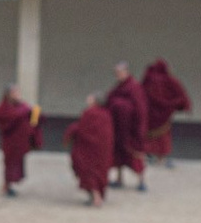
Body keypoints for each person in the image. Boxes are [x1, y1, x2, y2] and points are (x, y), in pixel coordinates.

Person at [104, 63, 149, 191]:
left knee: (137, 154)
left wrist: (140, 128)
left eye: (120, 73)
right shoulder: (118, 87)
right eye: (116, 74)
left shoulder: (135, 87)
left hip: (132, 128)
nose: (118, 76)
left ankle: (141, 181)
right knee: (118, 154)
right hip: (119, 128)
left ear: (126, 72)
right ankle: (119, 178)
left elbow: (141, 109)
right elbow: (109, 99)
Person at [140, 59, 190, 167]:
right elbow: (180, 95)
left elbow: (141, 94)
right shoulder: (169, 80)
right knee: (162, 138)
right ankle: (160, 158)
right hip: (164, 116)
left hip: (149, 115)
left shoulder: (148, 80)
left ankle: (148, 155)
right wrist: (176, 105)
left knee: (149, 136)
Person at [66, 91, 113, 207]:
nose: (88, 99)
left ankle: (96, 197)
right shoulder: (106, 114)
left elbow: (83, 130)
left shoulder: (89, 113)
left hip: (89, 149)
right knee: (97, 172)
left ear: (95, 101)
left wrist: (72, 131)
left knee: (88, 171)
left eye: (90, 98)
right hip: (103, 149)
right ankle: (94, 196)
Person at [0, 85, 42, 196]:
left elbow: (31, 119)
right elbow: (5, 117)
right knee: (9, 163)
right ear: (9, 94)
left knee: (17, 163)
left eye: (18, 93)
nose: (18, 95)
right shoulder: (3, 107)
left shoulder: (22, 106)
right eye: (15, 93)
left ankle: (8, 185)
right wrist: (23, 113)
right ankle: (6, 186)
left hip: (20, 141)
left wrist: (35, 115)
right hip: (10, 140)